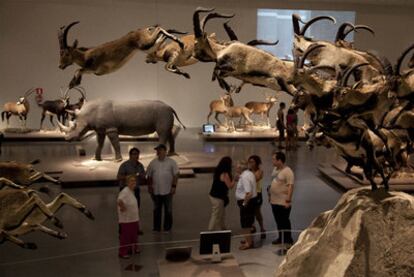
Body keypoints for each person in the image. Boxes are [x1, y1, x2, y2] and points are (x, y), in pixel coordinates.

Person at [147, 144, 179, 233]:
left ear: (165, 151)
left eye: (160, 150)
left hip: (168, 190)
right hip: (156, 191)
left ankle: (167, 228)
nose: (158, 152)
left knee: (168, 209)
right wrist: (149, 187)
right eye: (157, 150)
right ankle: (156, 228)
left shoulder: (171, 162)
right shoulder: (153, 163)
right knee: (156, 209)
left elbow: (176, 175)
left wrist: (174, 186)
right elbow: (149, 176)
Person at [268, 151, 294, 246]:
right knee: (278, 221)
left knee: (284, 221)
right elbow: (273, 182)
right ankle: (280, 237)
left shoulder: (288, 171)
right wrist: (270, 195)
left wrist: (288, 200)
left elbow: (290, 186)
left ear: (279, 160)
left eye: (274, 159)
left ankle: (288, 240)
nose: (272, 161)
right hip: (274, 201)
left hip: (283, 201)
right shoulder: (275, 169)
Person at [235, 160, 257, 250]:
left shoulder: (244, 177)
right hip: (251, 202)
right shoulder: (249, 173)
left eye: (236, 167)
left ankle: (249, 243)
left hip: (247, 202)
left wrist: (244, 204)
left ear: (240, 168)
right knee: (248, 222)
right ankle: (248, 239)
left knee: (245, 224)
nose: (235, 168)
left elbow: (249, 193)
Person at [208, 156, 235, 231]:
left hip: (213, 195)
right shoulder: (225, 174)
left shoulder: (218, 171)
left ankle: (223, 229)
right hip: (218, 197)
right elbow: (230, 186)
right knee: (216, 215)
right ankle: (210, 230)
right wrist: (235, 180)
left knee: (221, 214)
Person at [118, 175, 140, 258]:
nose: (133, 182)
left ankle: (132, 249)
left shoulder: (131, 191)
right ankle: (123, 252)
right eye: (131, 181)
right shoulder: (125, 191)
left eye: (134, 180)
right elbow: (119, 200)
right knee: (126, 236)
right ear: (127, 183)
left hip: (133, 218)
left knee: (133, 235)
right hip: (127, 219)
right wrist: (123, 207)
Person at [248, 155, 266, 239]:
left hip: (257, 194)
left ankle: (262, 228)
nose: (251, 164)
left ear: (257, 163)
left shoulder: (259, 171)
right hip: (249, 194)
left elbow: (255, 179)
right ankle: (252, 227)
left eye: (252, 162)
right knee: (249, 212)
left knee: (257, 212)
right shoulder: (248, 172)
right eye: (250, 162)